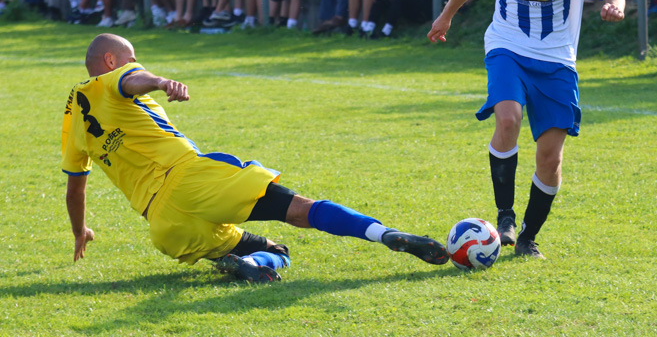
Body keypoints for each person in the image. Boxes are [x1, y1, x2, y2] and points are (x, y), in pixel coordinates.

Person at [63, 34, 448, 283]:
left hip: (163, 224)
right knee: (301, 210)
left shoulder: (71, 120)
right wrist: (161, 82)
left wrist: (81, 232)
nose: (135, 64)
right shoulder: (112, 79)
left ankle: (249, 264)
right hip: (191, 178)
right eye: (132, 59)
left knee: (265, 248)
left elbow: (75, 191)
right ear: (111, 61)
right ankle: (384, 234)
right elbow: (134, 79)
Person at [427, 0, 625, 259]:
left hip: (556, 58)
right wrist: (447, 14)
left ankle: (528, 237)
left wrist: (613, 2)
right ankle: (505, 216)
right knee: (508, 120)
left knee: (550, 156)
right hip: (508, 44)